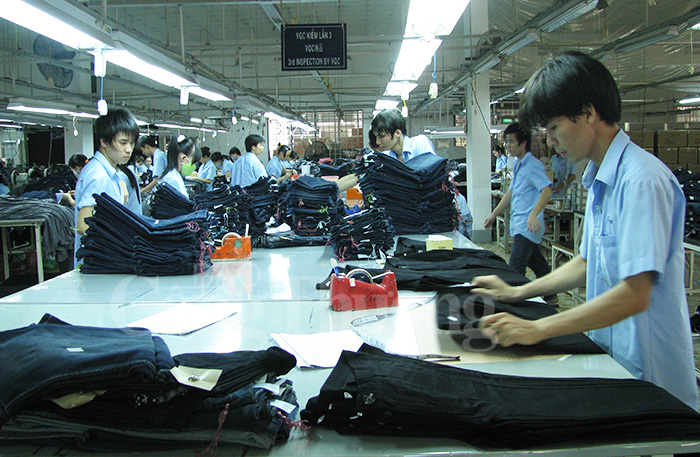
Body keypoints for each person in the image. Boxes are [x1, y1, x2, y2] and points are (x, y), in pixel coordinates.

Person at [472, 51, 698, 410]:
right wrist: (519, 291)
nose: (550, 140)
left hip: (652, 379)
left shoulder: (641, 181)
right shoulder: (599, 181)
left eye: (554, 128)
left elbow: (635, 294)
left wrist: (540, 328)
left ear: (588, 114)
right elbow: (587, 262)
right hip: (613, 362)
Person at [484, 122, 555, 302]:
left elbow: (546, 191)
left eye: (511, 142)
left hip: (527, 226)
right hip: (521, 224)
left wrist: (533, 214)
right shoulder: (518, 164)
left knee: (515, 267)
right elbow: (511, 192)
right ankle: (551, 295)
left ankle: (512, 302)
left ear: (523, 144)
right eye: (506, 142)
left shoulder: (533, 165)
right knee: (536, 261)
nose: (507, 146)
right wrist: (494, 214)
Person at [74, 108, 139, 264]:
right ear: (104, 142)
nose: (129, 149)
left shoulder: (106, 172)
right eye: (123, 143)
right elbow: (83, 226)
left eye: (131, 143)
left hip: (104, 260)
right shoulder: (98, 176)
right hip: (99, 262)